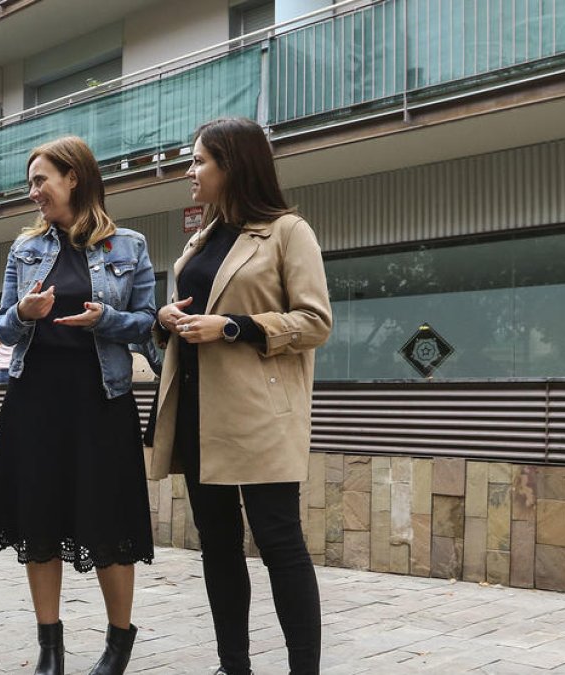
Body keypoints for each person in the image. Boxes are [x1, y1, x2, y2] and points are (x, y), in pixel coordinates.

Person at [147, 117, 333, 675]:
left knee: (279, 542)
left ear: (233, 165)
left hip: (258, 417)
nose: (190, 171)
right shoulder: (200, 240)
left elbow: (315, 321)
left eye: (199, 160)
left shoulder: (287, 232)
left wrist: (232, 327)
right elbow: (186, 317)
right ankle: (235, 666)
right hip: (199, 414)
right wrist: (165, 318)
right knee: (219, 547)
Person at [0, 136, 155, 675]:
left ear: (73, 177)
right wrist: (25, 313)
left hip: (102, 403)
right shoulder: (23, 249)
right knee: (39, 522)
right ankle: (49, 647)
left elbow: (147, 323)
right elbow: (1, 325)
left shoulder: (129, 246)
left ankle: (119, 641)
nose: (33, 193)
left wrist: (106, 320)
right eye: (31, 183)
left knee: (110, 523)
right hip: (36, 402)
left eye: (40, 181)